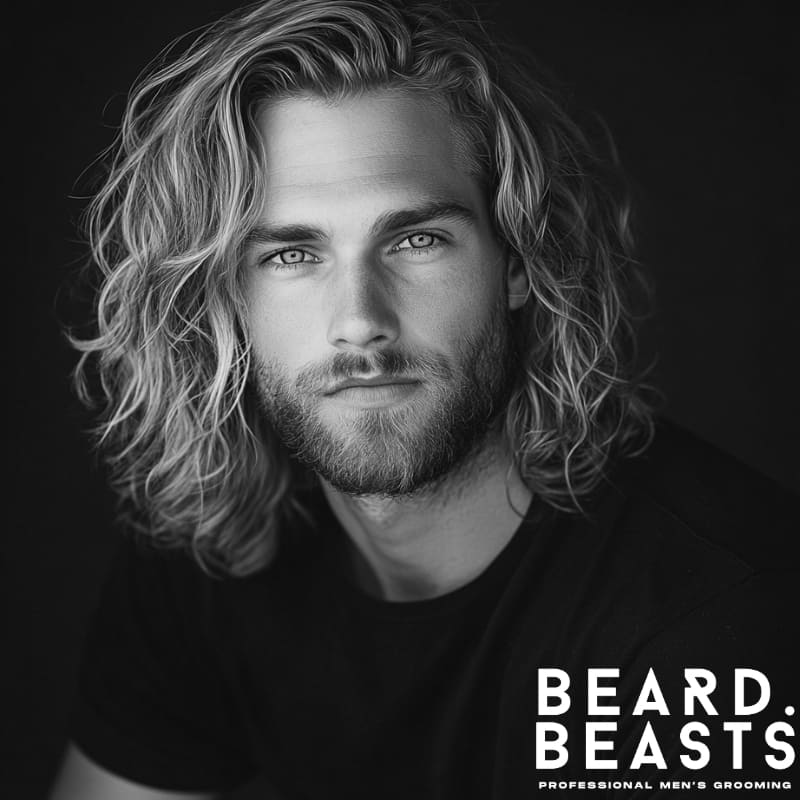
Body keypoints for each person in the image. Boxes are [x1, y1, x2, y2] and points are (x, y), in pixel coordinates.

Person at [50, 1, 797, 798]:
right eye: (293, 253)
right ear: (227, 296)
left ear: (519, 261)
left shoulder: (714, 621)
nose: (359, 322)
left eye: (416, 240)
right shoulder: (210, 550)